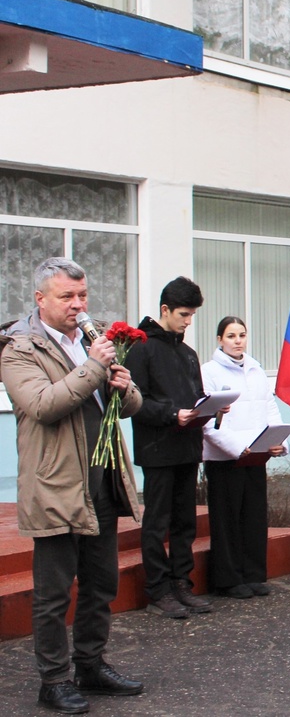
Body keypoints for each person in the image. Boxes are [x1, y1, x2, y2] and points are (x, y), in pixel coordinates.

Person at [0, 258, 145, 712]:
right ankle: (54, 680)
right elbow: (42, 405)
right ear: (40, 299)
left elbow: (131, 405)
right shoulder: (18, 349)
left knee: (101, 583)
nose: (78, 306)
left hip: (102, 481)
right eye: (67, 297)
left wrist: (121, 385)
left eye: (82, 296)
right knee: (53, 592)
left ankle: (91, 665)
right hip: (54, 485)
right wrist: (92, 368)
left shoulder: (93, 338)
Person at [126, 276, 211, 619]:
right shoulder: (140, 347)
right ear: (165, 309)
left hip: (187, 446)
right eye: (183, 315)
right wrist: (171, 414)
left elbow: (194, 396)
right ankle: (158, 590)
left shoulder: (188, 353)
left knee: (185, 522)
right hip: (158, 449)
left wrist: (209, 408)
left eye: (191, 316)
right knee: (157, 522)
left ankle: (181, 583)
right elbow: (132, 402)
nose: (188, 322)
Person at [200, 316, 287, 599]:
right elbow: (207, 419)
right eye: (231, 336)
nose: (238, 341)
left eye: (242, 335)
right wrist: (236, 447)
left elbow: (268, 406)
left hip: (255, 455)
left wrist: (276, 440)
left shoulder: (255, 369)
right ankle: (228, 579)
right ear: (219, 340)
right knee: (227, 520)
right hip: (226, 458)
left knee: (253, 516)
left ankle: (253, 574)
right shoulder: (209, 371)